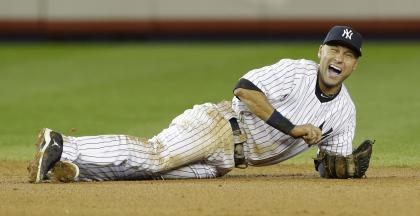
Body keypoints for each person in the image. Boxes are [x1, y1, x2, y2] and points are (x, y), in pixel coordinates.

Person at [28, 25, 369, 183]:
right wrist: (293, 129)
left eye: (348, 55)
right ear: (320, 53)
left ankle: (74, 171)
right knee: (156, 154)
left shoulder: (344, 112)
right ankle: (62, 145)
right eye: (334, 50)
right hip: (218, 126)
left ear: (355, 66)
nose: (339, 58)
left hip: (226, 164)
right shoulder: (296, 72)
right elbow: (245, 90)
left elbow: (333, 164)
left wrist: (337, 169)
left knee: (155, 174)